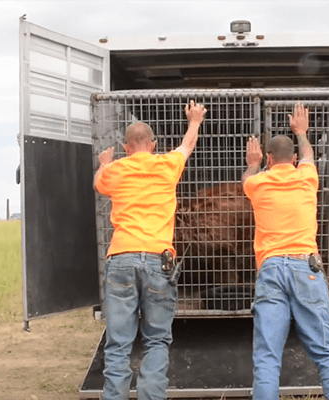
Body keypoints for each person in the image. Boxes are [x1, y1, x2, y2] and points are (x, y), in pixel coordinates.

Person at [94, 100, 207, 400]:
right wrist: (194, 119)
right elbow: (187, 145)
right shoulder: (167, 164)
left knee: (118, 342)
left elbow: (98, 184)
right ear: (153, 145)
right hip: (159, 260)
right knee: (156, 340)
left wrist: (104, 162)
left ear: (126, 147)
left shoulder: (116, 169)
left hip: (120, 258)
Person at [242, 103, 329, 400]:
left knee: (267, 357)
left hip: (272, 269)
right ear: (293, 160)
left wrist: (252, 162)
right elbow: (309, 156)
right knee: (327, 352)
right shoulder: (307, 178)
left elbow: (246, 180)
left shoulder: (258, 184)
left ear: (268, 159)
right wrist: (301, 132)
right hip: (307, 269)